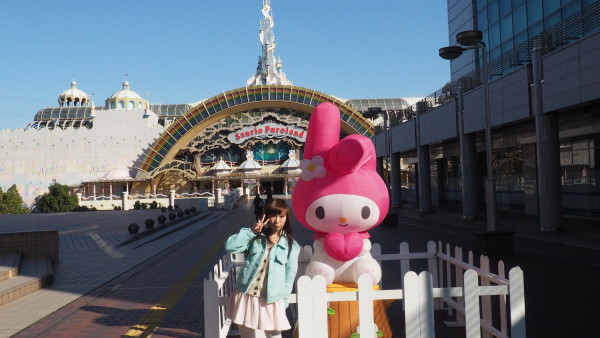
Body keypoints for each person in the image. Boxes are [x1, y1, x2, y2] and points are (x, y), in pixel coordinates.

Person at [225, 199, 301, 338]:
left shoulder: (291, 246)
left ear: (286, 217)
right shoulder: (256, 238)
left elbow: (289, 277)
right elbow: (230, 246)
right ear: (266, 216)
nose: (277, 221)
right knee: (248, 335)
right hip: (247, 295)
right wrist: (251, 232)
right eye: (273, 216)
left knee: (274, 335)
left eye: (281, 216)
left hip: (272, 299)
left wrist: (282, 301)